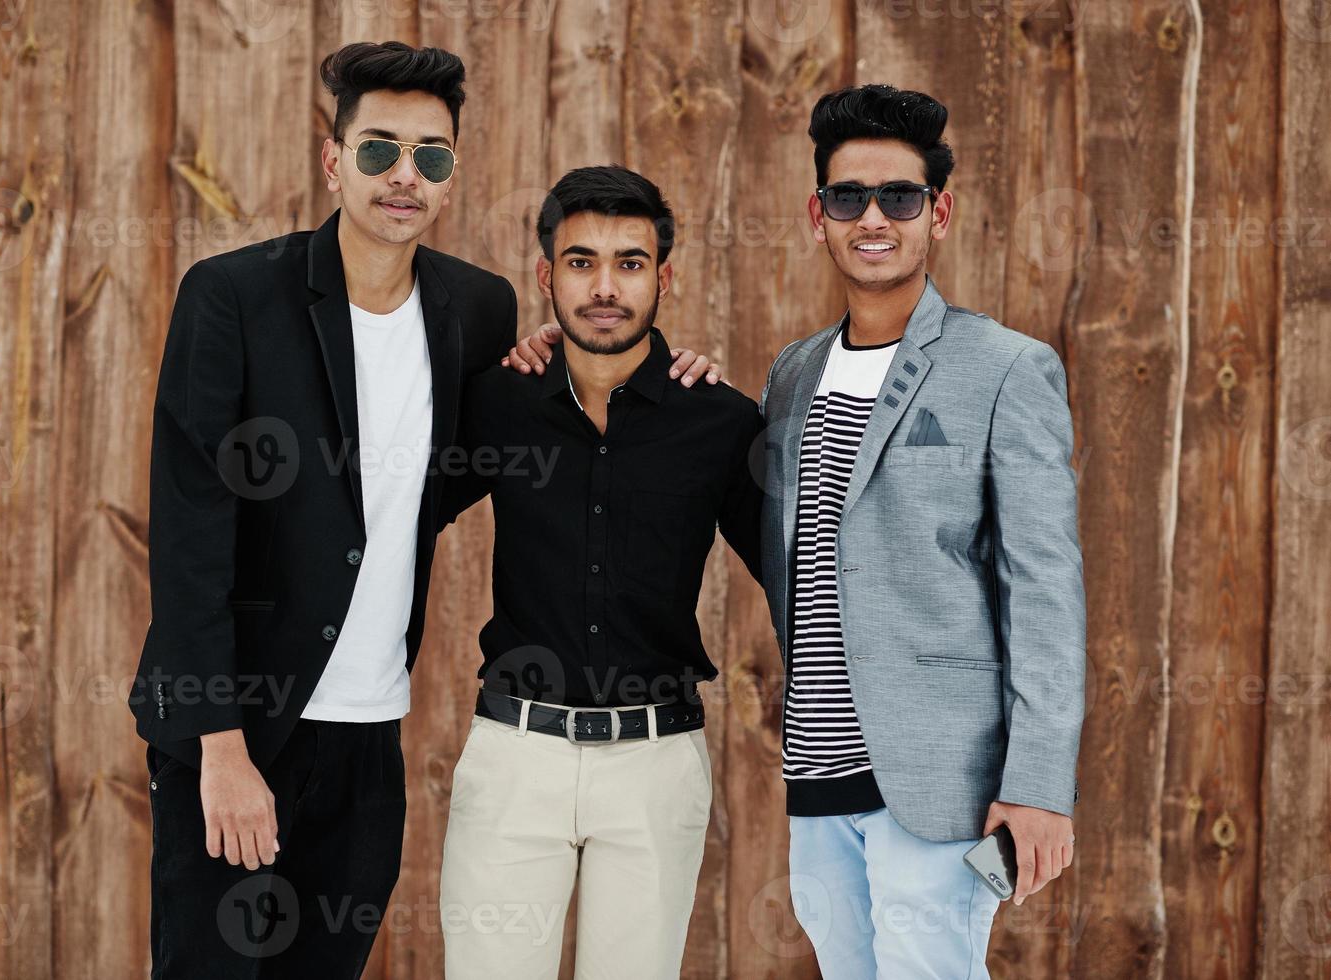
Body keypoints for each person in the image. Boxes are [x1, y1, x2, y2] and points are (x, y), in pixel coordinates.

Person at [129, 40, 721, 978]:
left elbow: (546, 404)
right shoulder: (234, 297)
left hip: (370, 733)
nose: (404, 177)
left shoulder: (475, 309)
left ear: (449, 174)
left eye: (430, 156)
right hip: (240, 730)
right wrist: (219, 748)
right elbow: (190, 533)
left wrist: (676, 373)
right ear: (334, 160)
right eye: (378, 151)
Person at [758, 84, 1085, 978]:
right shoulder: (790, 376)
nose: (873, 217)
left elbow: (1045, 592)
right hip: (817, 779)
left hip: (941, 780)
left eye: (898, 196)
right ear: (815, 216)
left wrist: (1038, 786)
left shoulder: (1006, 369)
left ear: (936, 212)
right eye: (846, 197)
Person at [436, 165, 765, 979]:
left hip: (655, 765)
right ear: (547, 276)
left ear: (664, 277)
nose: (605, 287)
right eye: (581, 262)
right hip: (515, 755)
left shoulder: (717, 419)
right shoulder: (498, 403)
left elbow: (801, 577)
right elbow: (388, 519)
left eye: (629, 261)